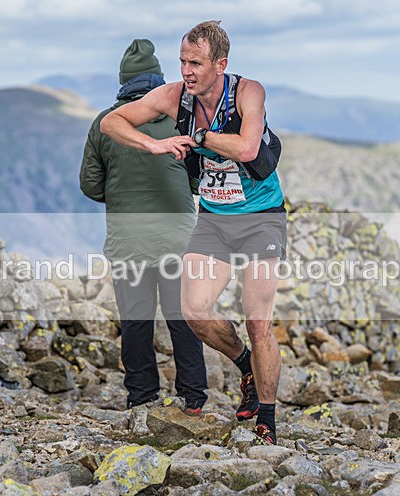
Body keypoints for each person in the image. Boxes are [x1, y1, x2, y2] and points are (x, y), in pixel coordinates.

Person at [100, 21, 286, 444]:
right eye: (183, 61)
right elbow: (111, 123)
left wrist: (197, 135)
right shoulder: (172, 97)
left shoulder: (247, 91)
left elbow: (248, 149)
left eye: (196, 63)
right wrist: (155, 144)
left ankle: (267, 422)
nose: (186, 71)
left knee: (258, 324)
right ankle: (245, 370)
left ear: (220, 64)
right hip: (215, 220)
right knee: (195, 312)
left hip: (261, 218)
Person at [80, 38, 208, 415]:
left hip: (127, 242)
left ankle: (141, 398)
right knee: (182, 319)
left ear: (123, 82)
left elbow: (90, 185)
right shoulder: (180, 119)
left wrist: (122, 196)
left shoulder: (107, 123)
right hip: (178, 240)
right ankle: (193, 399)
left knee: (136, 322)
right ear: (159, 81)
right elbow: (197, 179)